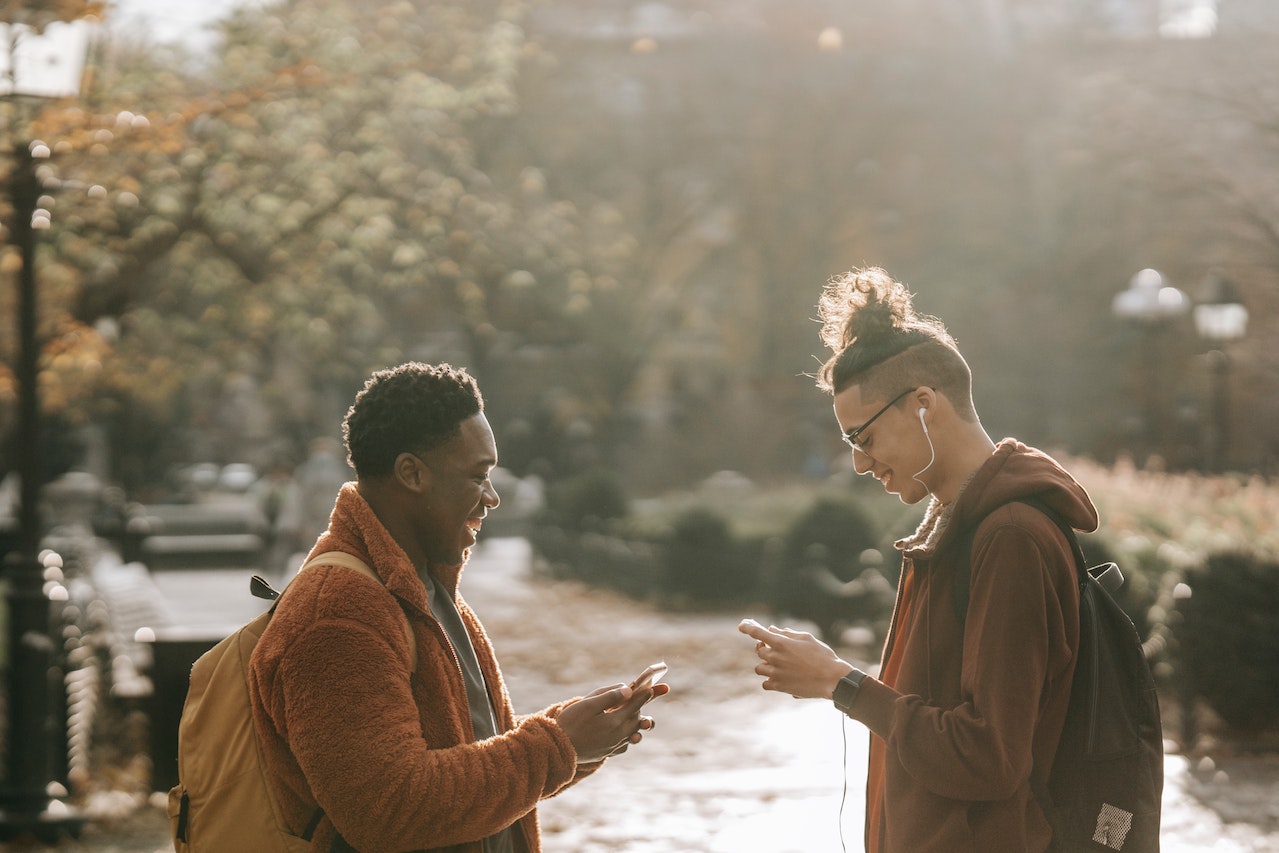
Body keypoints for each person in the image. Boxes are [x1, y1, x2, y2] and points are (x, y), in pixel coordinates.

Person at [739, 267, 1097, 853]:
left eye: (864, 438)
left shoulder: (1011, 537)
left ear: (924, 406)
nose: (859, 464)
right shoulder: (957, 527)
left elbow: (990, 758)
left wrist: (842, 683)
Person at [249, 362, 667, 853]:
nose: (491, 497)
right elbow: (388, 810)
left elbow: (475, 767)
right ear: (411, 473)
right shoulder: (337, 614)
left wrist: (575, 737)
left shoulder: (422, 585)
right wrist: (559, 746)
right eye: (477, 475)